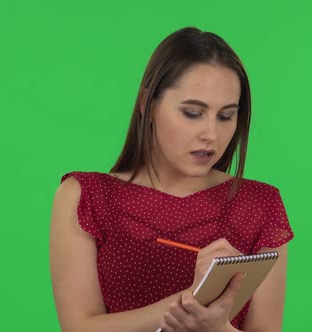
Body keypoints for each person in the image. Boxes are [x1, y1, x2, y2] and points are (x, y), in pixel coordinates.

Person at [49, 26, 295, 332]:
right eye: (193, 112)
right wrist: (192, 300)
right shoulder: (86, 197)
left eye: (225, 115)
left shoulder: (260, 205)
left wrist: (218, 327)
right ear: (147, 104)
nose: (210, 135)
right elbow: (79, 328)